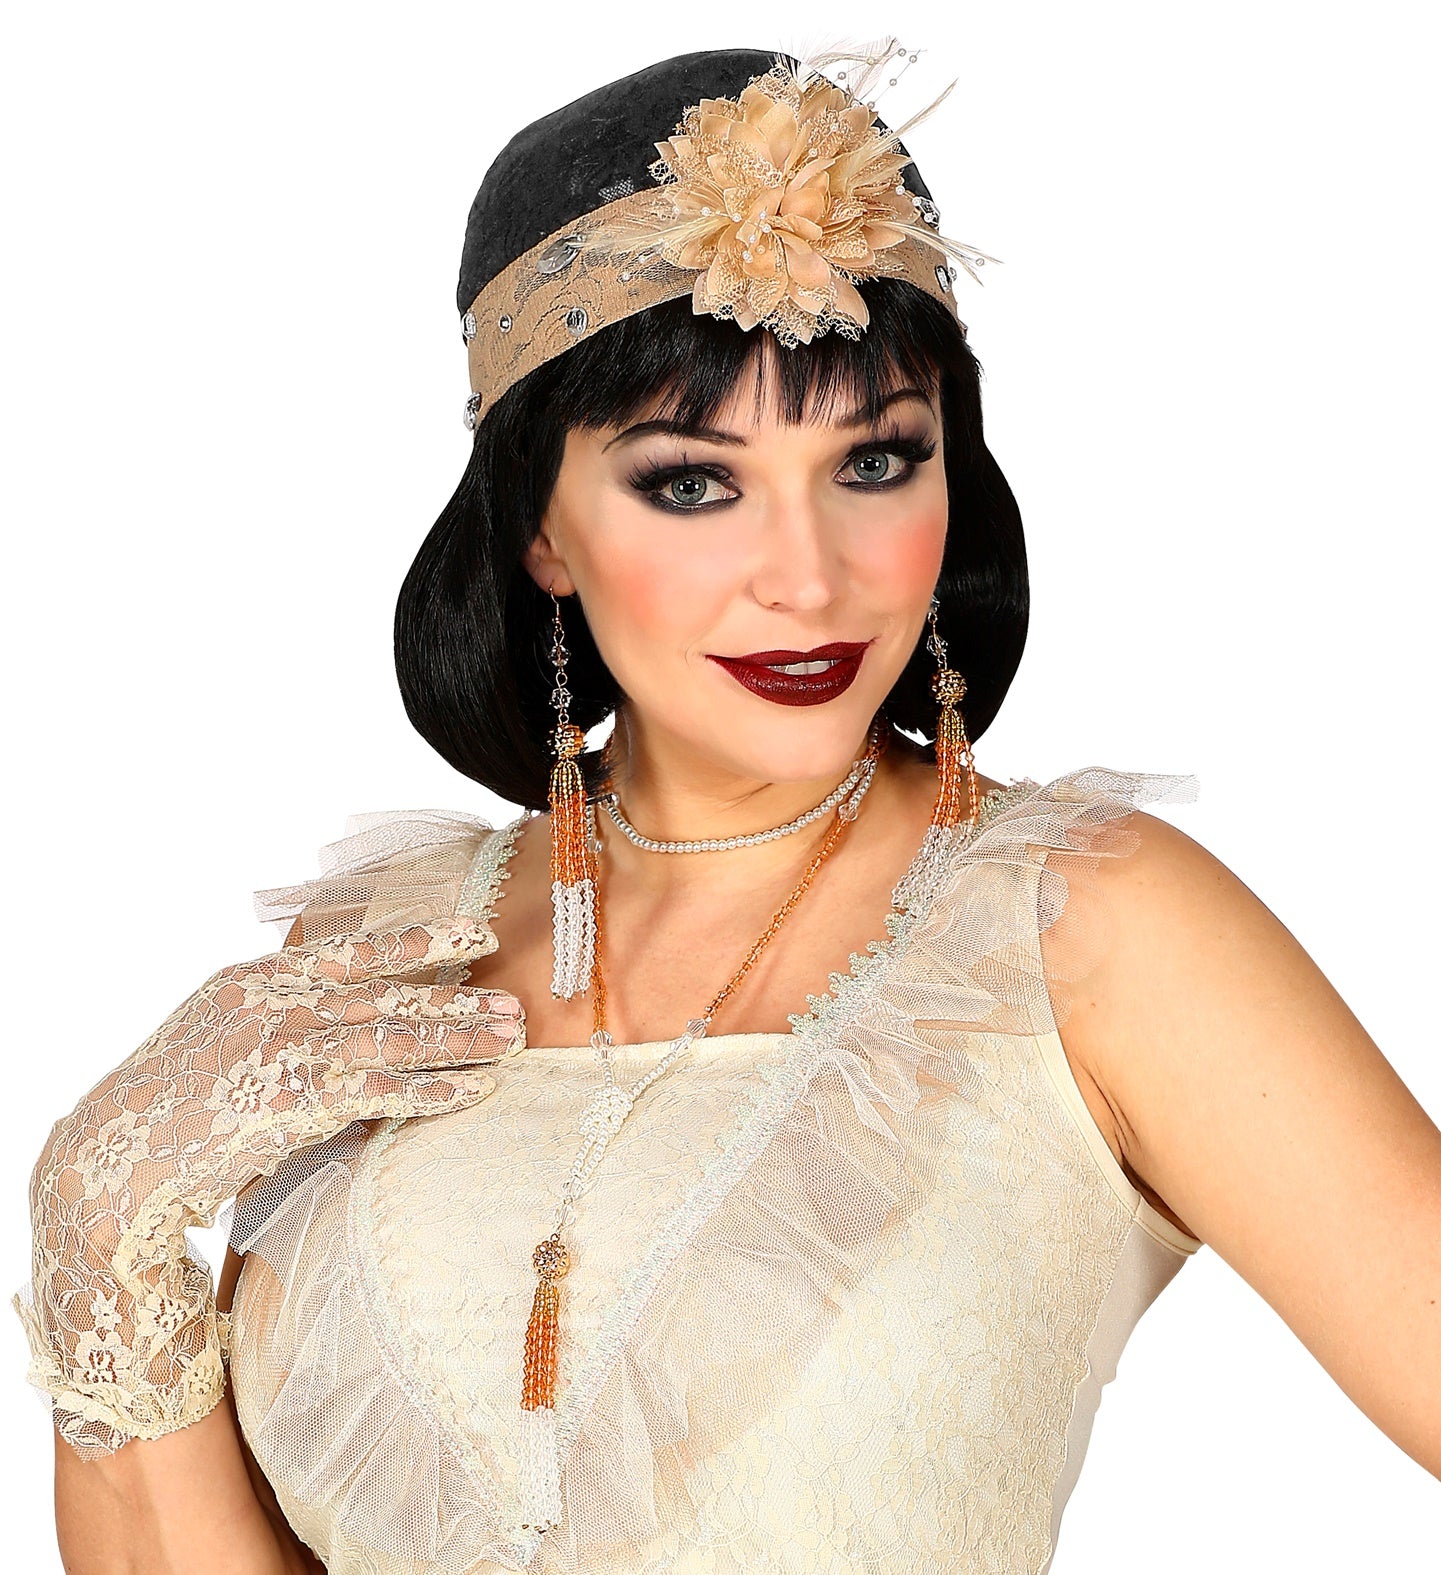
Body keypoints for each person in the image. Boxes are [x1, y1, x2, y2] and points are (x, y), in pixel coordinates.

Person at [13, 39, 1439, 1575]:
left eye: (873, 461)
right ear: (541, 529)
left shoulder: (1082, 927)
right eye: (692, 482)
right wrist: (98, 1223)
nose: (807, 578)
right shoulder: (371, 967)